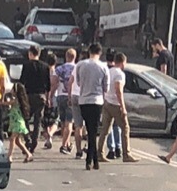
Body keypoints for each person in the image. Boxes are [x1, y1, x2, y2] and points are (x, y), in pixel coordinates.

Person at [73, 43, 109, 171]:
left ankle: (93, 160)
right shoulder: (103, 67)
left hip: (83, 100)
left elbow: (77, 82)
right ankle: (92, 159)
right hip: (97, 100)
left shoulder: (81, 65)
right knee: (93, 131)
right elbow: (106, 87)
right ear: (100, 53)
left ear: (89, 52)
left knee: (89, 129)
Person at [98, 52, 136, 163]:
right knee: (125, 128)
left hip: (107, 102)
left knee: (105, 129)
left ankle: (99, 152)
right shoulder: (120, 74)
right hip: (115, 104)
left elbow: (103, 86)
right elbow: (118, 90)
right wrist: (123, 107)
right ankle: (126, 154)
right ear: (123, 62)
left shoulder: (108, 71)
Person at [19, 45, 50, 153]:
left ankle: (27, 139)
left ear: (30, 53)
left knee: (25, 118)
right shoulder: (45, 66)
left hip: (28, 95)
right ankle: (34, 141)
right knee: (38, 120)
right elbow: (48, 85)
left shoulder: (26, 65)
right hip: (41, 95)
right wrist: (48, 98)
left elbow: (22, 82)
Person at [0, 82, 33, 163]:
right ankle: (29, 154)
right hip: (15, 122)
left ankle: (9, 156)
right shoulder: (17, 100)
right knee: (17, 141)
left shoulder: (15, 101)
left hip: (18, 122)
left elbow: (4, 103)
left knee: (12, 139)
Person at [53, 48, 76, 154]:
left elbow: (54, 82)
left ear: (66, 56)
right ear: (74, 57)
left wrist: (51, 94)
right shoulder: (77, 68)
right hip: (71, 96)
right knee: (69, 122)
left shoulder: (59, 69)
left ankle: (67, 143)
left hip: (60, 95)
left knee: (63, 123)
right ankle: (64, 146)